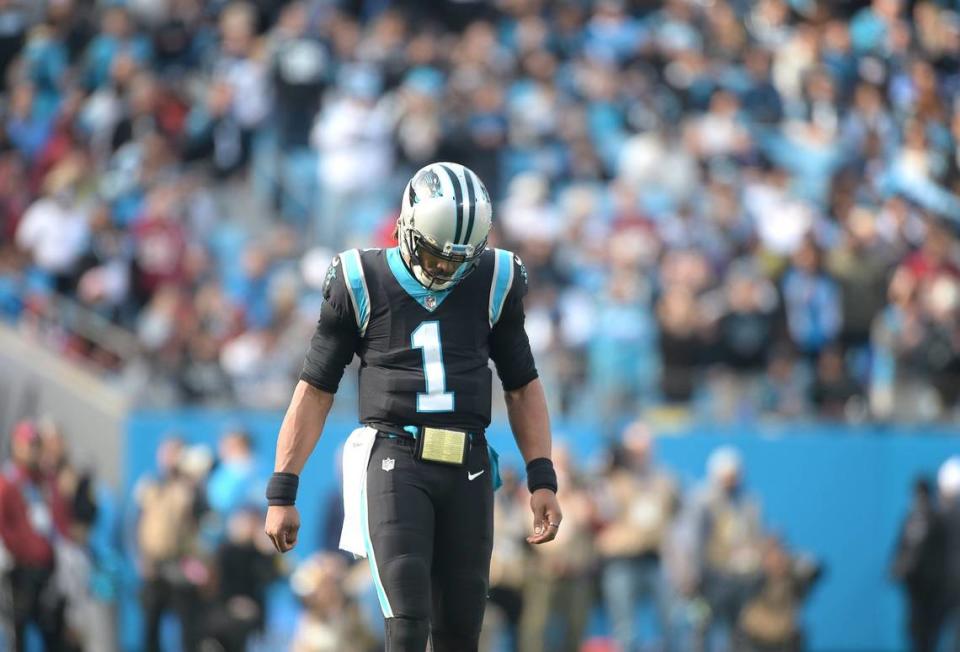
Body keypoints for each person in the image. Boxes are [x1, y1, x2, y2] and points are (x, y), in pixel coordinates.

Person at [264, 161, 562, 652]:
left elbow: (522, 386)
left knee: (462, 630)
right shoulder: (361, 278)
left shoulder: (494, 278)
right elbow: (315, 389)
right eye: (435, 253)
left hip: (466, 462)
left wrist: (542, 477)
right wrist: (282, 489)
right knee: (406, 622)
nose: (445, 268)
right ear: (406, 224)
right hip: (395, 457)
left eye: (457, 259)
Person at [596, 423, 679, 652]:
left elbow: (675, 514)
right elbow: (602, 508)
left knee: (671, 622)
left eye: (644, 449)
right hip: (622, 559)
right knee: (625, 629)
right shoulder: (613, 479)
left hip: (653, 558)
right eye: (635, 450)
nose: (640, 455)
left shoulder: (663, 480)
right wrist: (607, 468)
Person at [0, 419, 72, 652]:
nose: (32, 450)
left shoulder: (44, 481)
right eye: (28, 444)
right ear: (16, 445)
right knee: (19, 631)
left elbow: (58, 518)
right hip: (20, 570)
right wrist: (17, 551)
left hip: (48, 568)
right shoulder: (9, 482)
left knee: (54, 631)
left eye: (35, 445)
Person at [891, 477, 946, 652]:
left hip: (932, 586)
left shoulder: (937, 520)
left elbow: (941, 553)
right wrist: (896, 567)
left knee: (929, 629)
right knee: (913, 628)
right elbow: (901, 546)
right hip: (913, 585)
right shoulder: (910, 519)